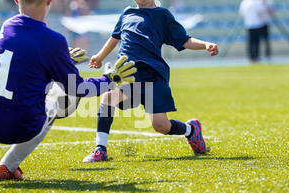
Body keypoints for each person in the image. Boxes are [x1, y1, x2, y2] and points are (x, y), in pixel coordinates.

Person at [0, 0, 137, 185]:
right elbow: (77, 88)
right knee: (54, 104)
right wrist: (110, 80)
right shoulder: (54, 41)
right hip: (21, 128)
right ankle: (8, 165)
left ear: (16, 0)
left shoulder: (7, 26)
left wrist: (60, 58)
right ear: (50, 1)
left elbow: (26, 60)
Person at [83, 0, 219, 163]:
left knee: (161, 126)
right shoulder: (127, 13)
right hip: (129, 73)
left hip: (153, 75)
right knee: (108, 98)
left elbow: (184, 40)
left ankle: (191, 130)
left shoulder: (162, 15)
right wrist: (99, 57)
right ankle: (100, 149)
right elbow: (114, 38)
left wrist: (206, 45)